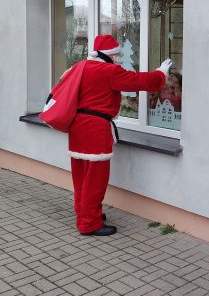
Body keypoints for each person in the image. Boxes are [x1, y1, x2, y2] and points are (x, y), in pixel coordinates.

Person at [68, 34, 171, 236]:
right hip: (95, 129)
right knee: (95, 179)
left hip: (77, 128)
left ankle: (84, 213)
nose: (117, 58)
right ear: (109, 55)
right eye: (116, 55)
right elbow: (138, 81)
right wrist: (160, 74)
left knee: (81, 176)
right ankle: (89, 224)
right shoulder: (109, 71)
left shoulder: (80, 66)